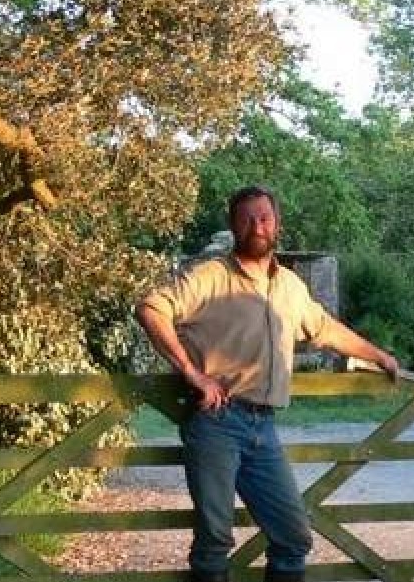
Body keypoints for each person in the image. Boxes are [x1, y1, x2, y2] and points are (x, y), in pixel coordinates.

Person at [136, 185, 400, 582]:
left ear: (277, 224)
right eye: (247, 218)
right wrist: (192, 373)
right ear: (233, 225)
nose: (257, 226)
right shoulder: (209, 277)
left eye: (265, 217)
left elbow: (324, 329)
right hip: (215, 422)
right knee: (214, 540)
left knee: (293, 538)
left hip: (264, 427)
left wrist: (378, 356)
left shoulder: (289, 286)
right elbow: (151, 308)